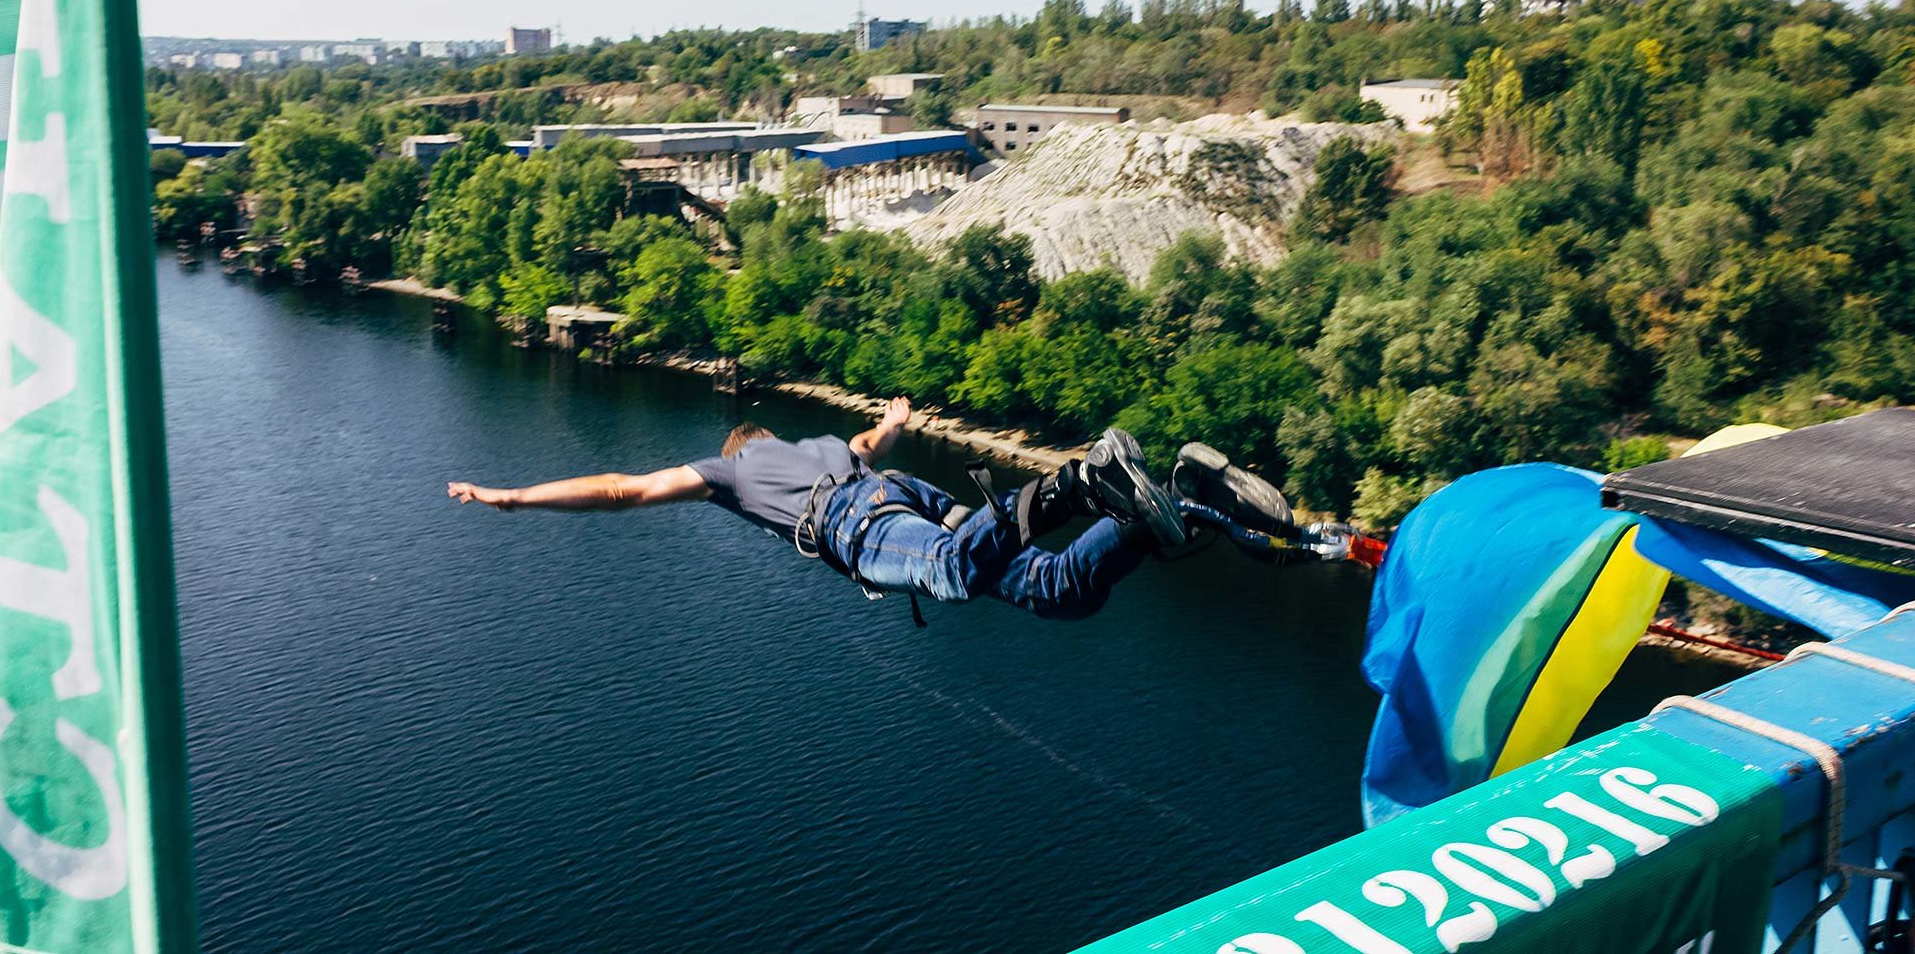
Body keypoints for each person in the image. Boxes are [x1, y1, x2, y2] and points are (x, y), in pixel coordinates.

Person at [446, 397, 1289, 621]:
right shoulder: (821, 443)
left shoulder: (731, 468)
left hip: (863, 525)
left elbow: (622, 488)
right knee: (1057, 591)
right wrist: (892, 423)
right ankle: (1169, 499)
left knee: (952, 575)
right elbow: (870, 443)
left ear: (738, 450)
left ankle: (1078, 481)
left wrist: (512, 496)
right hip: (903, 497)